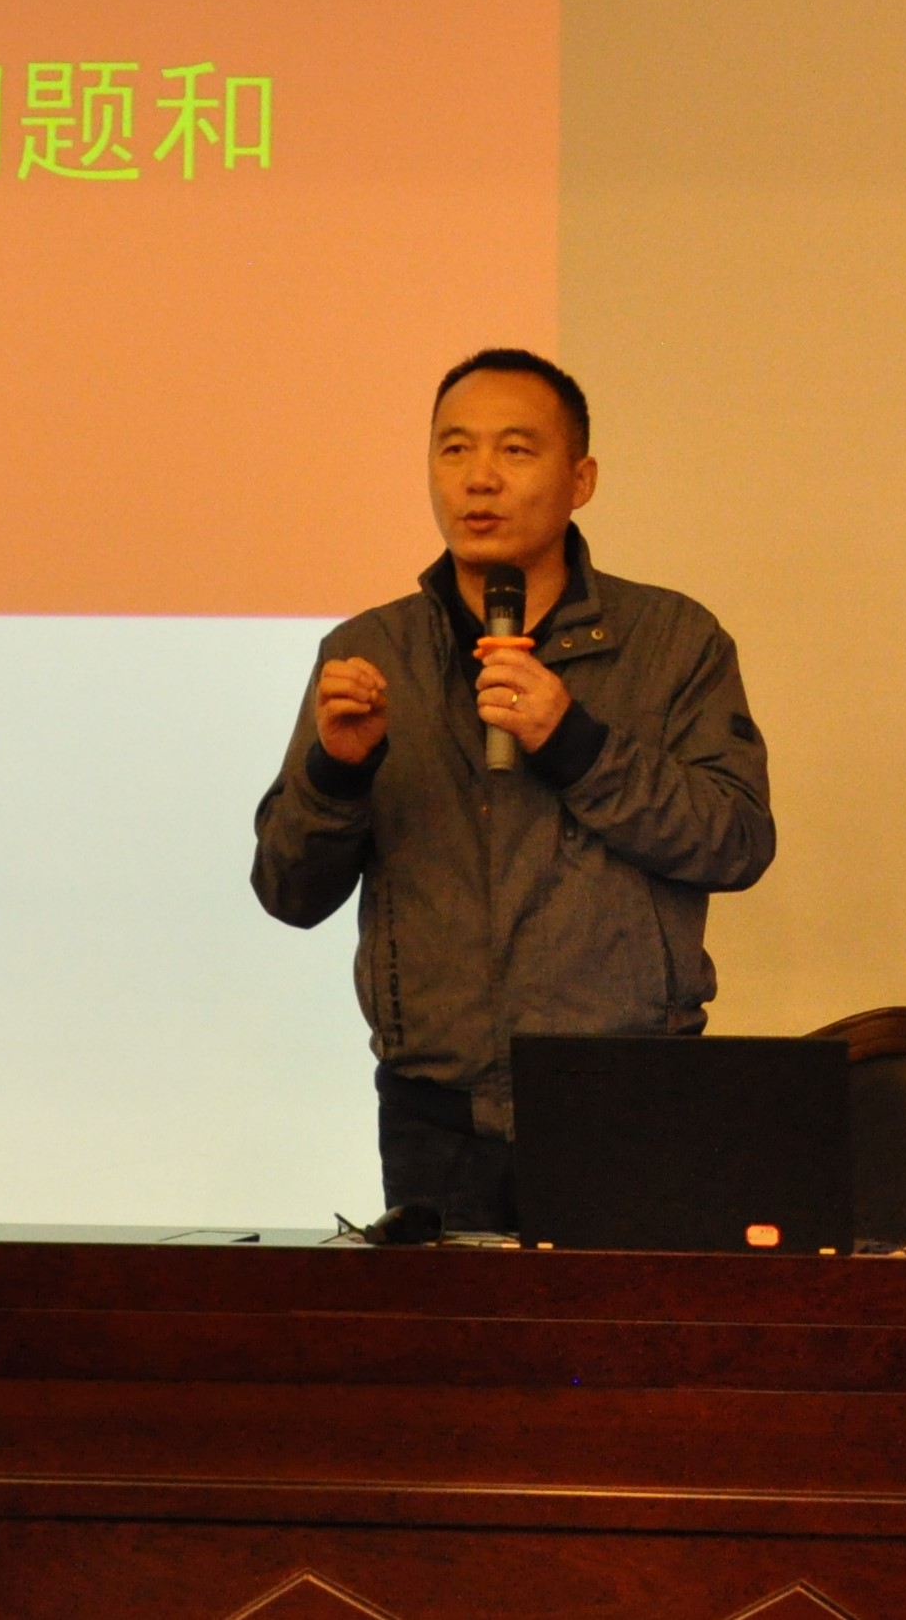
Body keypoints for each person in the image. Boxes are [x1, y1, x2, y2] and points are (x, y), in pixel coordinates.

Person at [250, 348, 777, 1232]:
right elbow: (287, 890)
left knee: (626, 1327)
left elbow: (737, 839)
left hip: (631, 1103)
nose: (479, 478)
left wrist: (576, 743)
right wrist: (335, 771)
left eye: (516, 450)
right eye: (454, 448)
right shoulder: (370, 651)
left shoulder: (674, 640)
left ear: (581, 480)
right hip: (434, 1119)